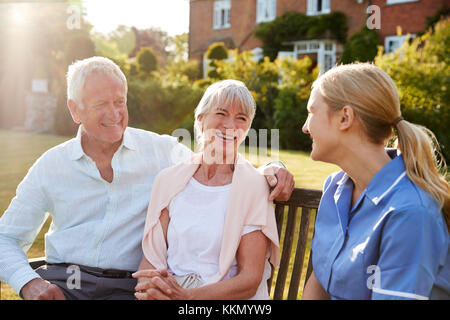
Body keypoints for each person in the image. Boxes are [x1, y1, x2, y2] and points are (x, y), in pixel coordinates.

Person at [0, 57, 294, 300]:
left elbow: (216, 159)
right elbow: (6, 237)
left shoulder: (161, 153)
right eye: (101, 104)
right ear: (75, 110)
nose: (115, 113)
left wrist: (273, 166)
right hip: (64, 285)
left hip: (126, 289)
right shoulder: (51, 165)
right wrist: (29, 282)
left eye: (120, 101)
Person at [301, 63, 450, 300]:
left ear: (345, 118)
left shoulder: (411, 212)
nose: (305, 127)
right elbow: (319, 282)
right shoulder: (335, 188)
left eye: (311, 112)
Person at [132, 80, 281, 300]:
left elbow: (249, 279)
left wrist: (187, 297)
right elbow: (151, 262)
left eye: (241, 118)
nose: (231, 125)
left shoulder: (253, 186)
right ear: (201, 120)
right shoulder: (169, 181)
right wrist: (152, 289)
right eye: (221, 113)